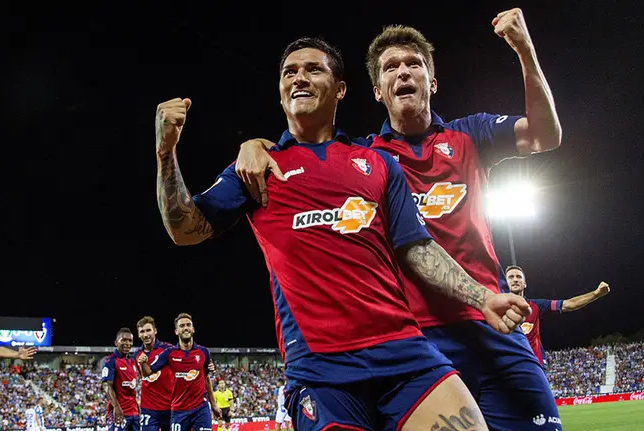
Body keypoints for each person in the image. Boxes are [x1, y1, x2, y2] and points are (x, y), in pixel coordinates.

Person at [153, 37, 530, 431]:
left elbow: (417, 249)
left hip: (406, 353)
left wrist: (483, 297)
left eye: (313, 69)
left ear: (340, 89)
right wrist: (166, 154)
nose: (299, 78)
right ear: (280, 93)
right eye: (289, 72)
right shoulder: (257, 168)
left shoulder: (378, 163)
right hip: (322, 370)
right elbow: (185, 229)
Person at [235, 10, 563, 430]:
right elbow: (305, 150)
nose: (403, 72)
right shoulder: (364, 159)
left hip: (492, 321)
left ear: (433, 81)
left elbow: (544, 135)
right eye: (391, 67)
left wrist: (524, 49)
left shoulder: (470, 135)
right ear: (377, 91)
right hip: (416, 344)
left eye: (414, 64)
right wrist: (255, 144)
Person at [506, 265, 610, 367]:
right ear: (503, 283)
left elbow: (569, 304)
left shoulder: (536, 306)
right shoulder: (497, 310)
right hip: (507, 365)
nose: (515, 280)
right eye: (511, 277)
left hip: (533, 364)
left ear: (525, 284)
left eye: (519, 277)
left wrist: (596, 294)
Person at [137, 313, 221, 431]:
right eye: (182, 326)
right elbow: (147, 373)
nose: (185, 328)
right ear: (176, 331)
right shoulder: (169, 353)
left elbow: (206, 378)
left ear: (193, 329)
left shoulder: (204, 352)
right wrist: (143, 363)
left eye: (188, 325)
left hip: (200, 408)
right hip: (179, 410)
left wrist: (214, 405)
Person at [136, 316, 175, 431]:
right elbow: (143, 376)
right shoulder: (137, 354)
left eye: (148, 330)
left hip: (170, 406)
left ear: (155, 331)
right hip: (149, 408)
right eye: (142, 331)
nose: (145, 334)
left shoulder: (168, 349)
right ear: (138, 334)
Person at [102, 328, 140, 431]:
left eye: (130, 340)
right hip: (120, 413)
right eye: (124, 340)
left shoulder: (132, 363)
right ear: (116, 342)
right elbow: (106, 385)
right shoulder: (110, 361)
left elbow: (131, 390)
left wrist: (138, 409)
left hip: (134, 414)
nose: (127, 343)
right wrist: (116, 407)